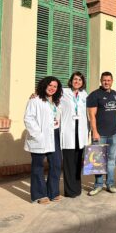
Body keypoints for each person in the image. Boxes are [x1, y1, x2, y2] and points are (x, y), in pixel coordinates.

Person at [24, 76, 63, 204]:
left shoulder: (57, 101)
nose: (52, 88)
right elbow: (28, 119)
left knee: (56, 164)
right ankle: (40, 195)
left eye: (55, 86)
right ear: (44, 85)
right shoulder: (35, 100)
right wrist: (38, 135)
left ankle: (53, 192)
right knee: (38, 166)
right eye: (50, 85)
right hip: (40, 136)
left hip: (55, 134)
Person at [86, 72, 116, 196]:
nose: (106, 82)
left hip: (114, 133)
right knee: (97, 161)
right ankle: (98, 185)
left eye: (109, 80)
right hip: (100, 134)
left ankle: (110, 184)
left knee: (111, 160)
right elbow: (92, 116)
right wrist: (94, 131)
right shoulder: (94, 95)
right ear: (101, 81)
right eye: (104, 80)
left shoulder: (115, 94)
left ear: (112, 81)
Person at [60, 72, 89, 198]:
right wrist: (35, 96)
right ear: (71, 81)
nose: (77, 81)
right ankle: (69, 191)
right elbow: (47, 96)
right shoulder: (62, 92)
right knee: (68, 163)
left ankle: (77, 188)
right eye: (75, 79)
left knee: (78, 162)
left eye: (80, 80)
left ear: (82, 82)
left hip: (81, 131)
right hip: (68, 131)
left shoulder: (84, 94)